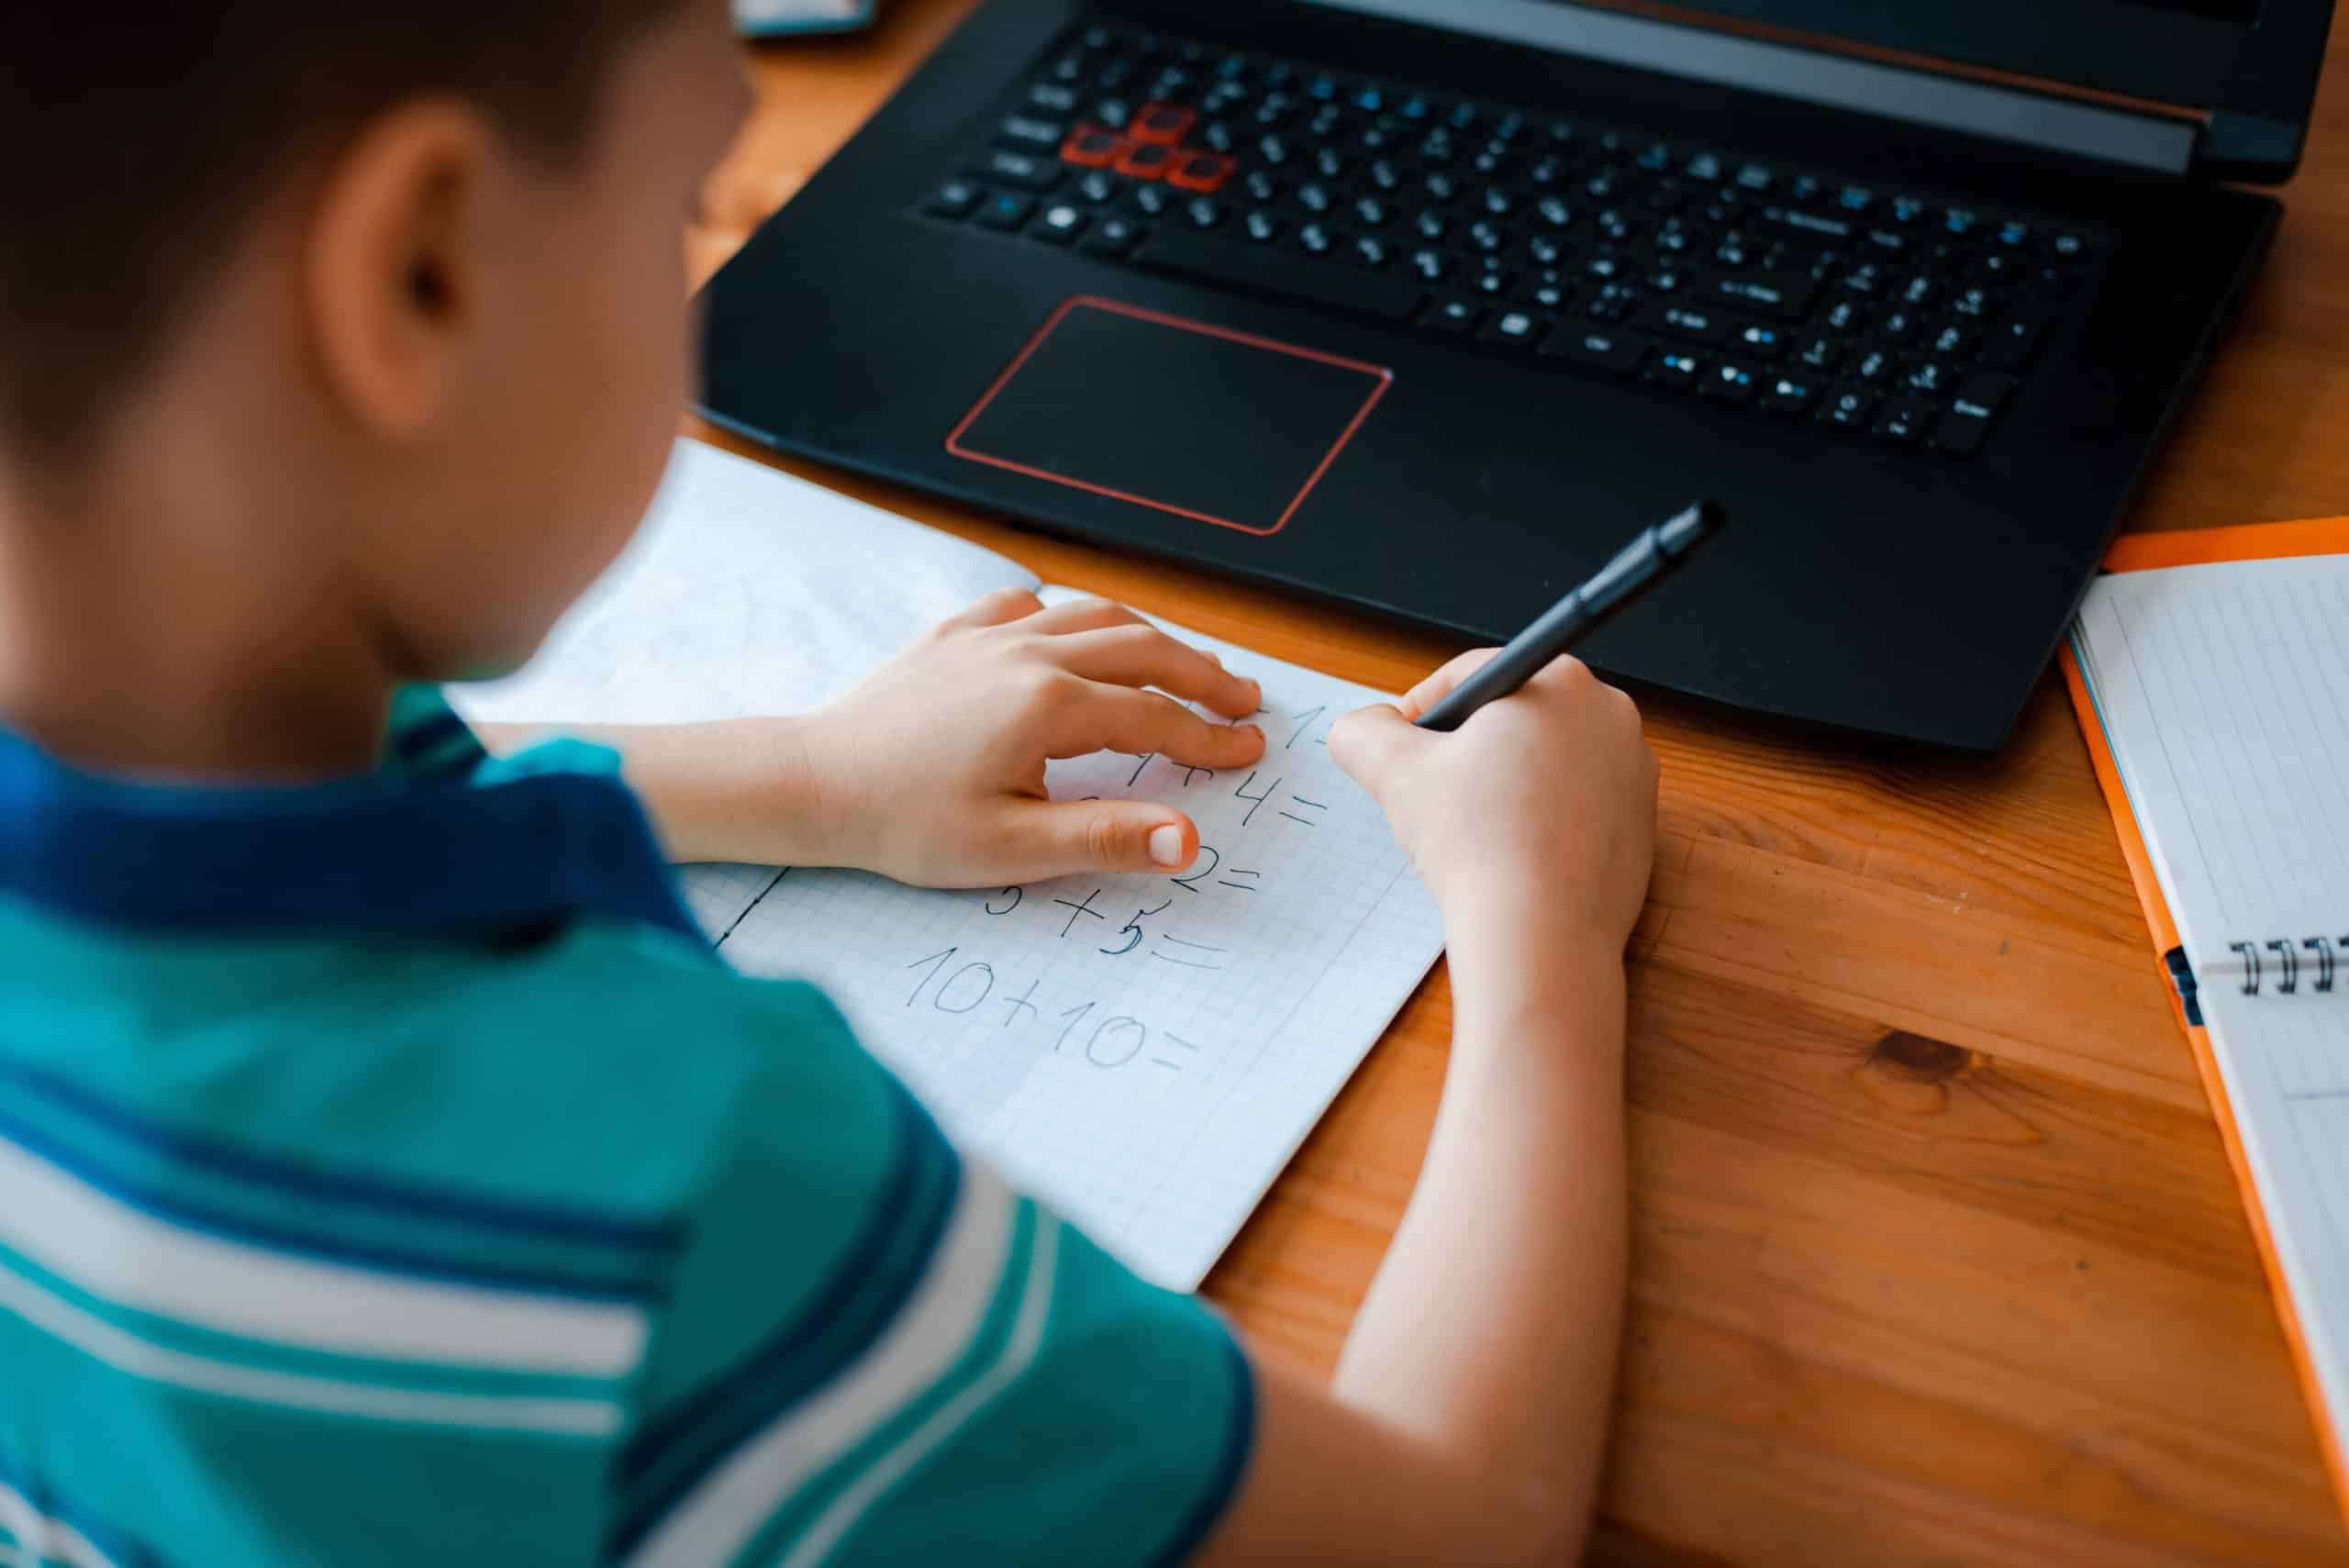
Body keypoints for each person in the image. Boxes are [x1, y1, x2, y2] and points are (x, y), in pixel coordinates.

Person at [0, 2, 1659, 1563]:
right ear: (420, 276)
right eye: (687, 205)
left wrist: (809, 777)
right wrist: (1543, 930)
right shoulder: (668, 1194)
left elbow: (357, 811)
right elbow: (1450, 1526)